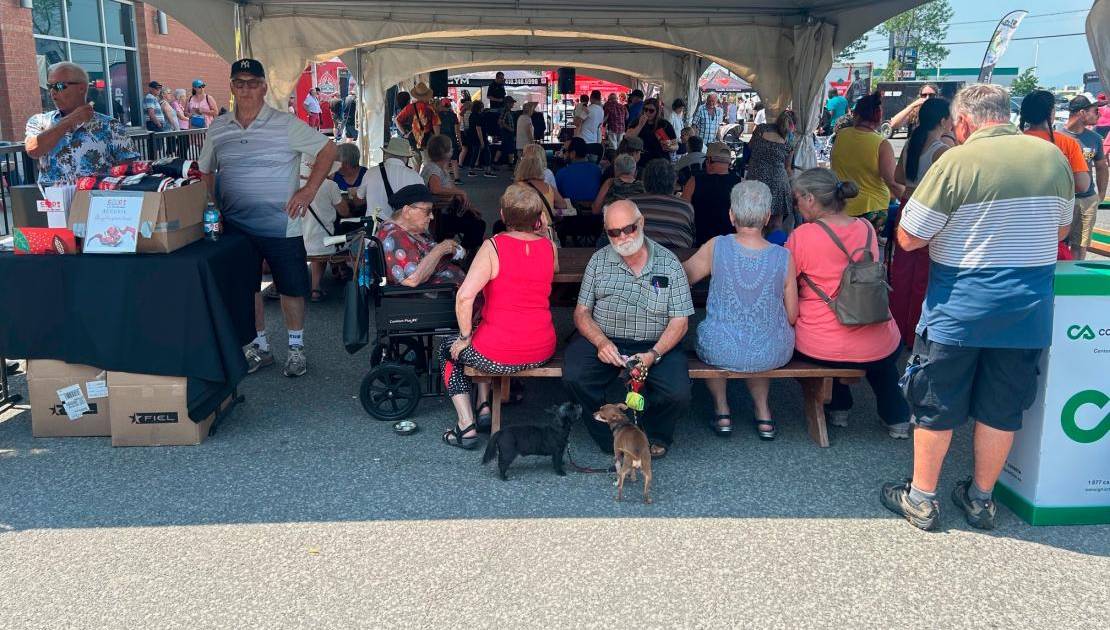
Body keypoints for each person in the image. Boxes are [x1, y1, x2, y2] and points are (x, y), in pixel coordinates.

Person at [882, 84, 1076, 532]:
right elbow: (1062, 228)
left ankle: (922, 498)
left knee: (937, 402)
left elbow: (910, 238)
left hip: (959, 306)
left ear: (964, 122)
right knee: (1002, 407)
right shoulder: (1052, 158)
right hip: (1027, 308)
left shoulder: (956, 161)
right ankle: (981, 499)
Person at [198, 58, 337, 378]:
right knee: (248, 288)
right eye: (239, 82)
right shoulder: (218, 128)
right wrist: (211, 202)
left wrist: (308, 192)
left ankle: (296, 349)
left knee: (291, 287)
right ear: (231, 86)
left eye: (252, 82)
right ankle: (259, 348)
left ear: (263, 87)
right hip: (235, 226)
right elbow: (205, 169)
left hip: (281, 224)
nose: (245, 88)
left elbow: (328, 150)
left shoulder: (284, 124)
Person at [563, 200, 694, 460]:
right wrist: (600, 342)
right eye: (614, 232)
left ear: (641, 223)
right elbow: (581, 312)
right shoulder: (598, 261)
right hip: (607, 338)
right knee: (574, 376)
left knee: (678, 393)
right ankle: (609, 437)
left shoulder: (669, 263)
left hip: (655, 343)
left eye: (629, 229)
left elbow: (680, 321)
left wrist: (653, 354)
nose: (623, 236)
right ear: (606, 231)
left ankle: (655, 435)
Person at [786, 168, 910, 440]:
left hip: (821, 343)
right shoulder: (866, 228)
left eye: (797, 199)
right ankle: (897, 416)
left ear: (809, 199)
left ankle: (839, 405)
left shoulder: (801, 237)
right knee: (881, 357)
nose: (796, 205)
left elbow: (787, 286)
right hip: (877, 333)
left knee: (825, 342)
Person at [439, 184, 559, 448]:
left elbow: (464, 297)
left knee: (449, 349)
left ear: (502, 216)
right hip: (542, 348)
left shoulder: (493, 247)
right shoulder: (550, 248)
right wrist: (544, 229)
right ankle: (484, 406)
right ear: (539, 218)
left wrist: (464, 337)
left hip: (498, 354)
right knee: (483, 330)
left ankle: (466, 425)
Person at [683, 180, 796, 438]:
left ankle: (722, 412)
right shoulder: (783, 256)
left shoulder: (717, 246)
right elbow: (792, 315)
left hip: (721, 347)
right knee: (759, 336)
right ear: (768, 217)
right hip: (771, 350)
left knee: (712, 334)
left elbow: (684, 277)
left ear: (731, 215)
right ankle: (763, 412)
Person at [890, 97, 953, 348]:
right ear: (942, 120)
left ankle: (894, 330)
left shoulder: (910, 144)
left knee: (902, 273)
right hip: (930, 214)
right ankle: (913, 333)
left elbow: (898, 177)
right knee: (923, 278)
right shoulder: (942, 152)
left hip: (907, 208)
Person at [25, 62, 139, 186]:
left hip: (94, 200)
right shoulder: (40, 121)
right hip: (53, 201)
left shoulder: (110, 126)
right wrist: (69, 121)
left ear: (82, 88)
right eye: (50, 86)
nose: (52, 92)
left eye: (59, 86)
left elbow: (129, 167)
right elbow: (33, 150)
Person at [831, 91, 905, 232]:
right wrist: (909, 201)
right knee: (866, 249)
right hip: (872, 210)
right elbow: (892, 182)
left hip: (841, 205)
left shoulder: (841, 136)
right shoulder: (881, 144)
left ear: (856, 114)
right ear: (878, 118)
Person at [376, 184, 465, 287]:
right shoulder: (393, 236)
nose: (431, 216)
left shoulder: (414, 233)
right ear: (407, 211)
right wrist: (441, 249)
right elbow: (411, 279)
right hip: (432, 298)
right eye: (427, 211)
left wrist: (450, 249)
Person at [1058, 95, 1107, 260]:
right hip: (1063, 199)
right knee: (1059, 245)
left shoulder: (1095, 139)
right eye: (1095, 111)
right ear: (1082, 112)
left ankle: (1074, 282)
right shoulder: (1057, 137)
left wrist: (1099, 195)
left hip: (1086, 200)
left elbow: (1101, 167)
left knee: (1080, 247)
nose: (1098, 115)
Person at [300, 159, 351, 302]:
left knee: (315, 238)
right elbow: (345, 211)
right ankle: (315, 288)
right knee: (325, 240)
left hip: (296, 245)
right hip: (323, 244)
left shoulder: (292, 186)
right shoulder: (330, 185)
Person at [746, 110, 797, 232]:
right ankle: (774, 249)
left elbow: (749, 147)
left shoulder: (761, 129)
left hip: (756, 181)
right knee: (776, 225)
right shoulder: (790, 139)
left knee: (755, 223)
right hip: (778, 184)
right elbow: (787, 167)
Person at [682, 142, 741, 245]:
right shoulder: (740, 183)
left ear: (708, 161)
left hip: (701, 243)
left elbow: (683, 210)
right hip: (730, 244)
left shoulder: (694, 181)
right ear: (729, 163)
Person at [629, 158, 696, 248]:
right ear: (673, 182)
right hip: (677, 258)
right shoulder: (685, 207)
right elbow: (692, 239)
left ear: (645, 180)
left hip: (637, 258)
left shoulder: (629, 204)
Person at [355, 137, 425, 220]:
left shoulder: (371, 172)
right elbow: (422, 205)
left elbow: (358, 201)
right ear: (406, 158)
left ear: (386, 155)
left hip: (374, 228)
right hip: (401, 228)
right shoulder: (414, 176)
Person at [395, 82, 441, 168]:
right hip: (427, 141)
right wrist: (437, 139)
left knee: (414, 166)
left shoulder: (410, 107)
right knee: (429, 166)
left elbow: (397, 120)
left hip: (413, 140)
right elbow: (436, 125)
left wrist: (404, 133)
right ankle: (425, 181)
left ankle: (415, 181)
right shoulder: (430, 108)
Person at [514, 149, 567, 221]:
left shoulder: (514, 189)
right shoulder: (549, 188)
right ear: (540, 168)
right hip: (544, 229)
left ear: (521, 167)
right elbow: (563, 205)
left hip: (522, 228)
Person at [628, 97, 677, 166]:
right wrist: (640, 125)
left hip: (660, 161)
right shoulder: (637, 122)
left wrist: (670, 147)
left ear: (657, 111)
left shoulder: (664, 124)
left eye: (651, 111)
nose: (647, 112)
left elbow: (675, 145)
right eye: (645, 110)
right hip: (641, 161)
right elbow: (628, 138)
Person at [555, 137, 603, 205]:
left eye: (564, 151)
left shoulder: (561, 173)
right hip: (594, 213)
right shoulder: (597, 170)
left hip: (571, 213)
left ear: (573, 154)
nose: (563, 154)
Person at [333, 143, 368, 215]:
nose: (334, 163)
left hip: (364, 217)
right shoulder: (332, 176)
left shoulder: (367, 174)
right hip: (340, 219)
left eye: (337, 161)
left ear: (346, 163)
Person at [462, 101, 493, 178]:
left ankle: (471, 169)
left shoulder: (472, 115)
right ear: (479, 108)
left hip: (473, 137)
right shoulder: (479, 116)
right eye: (482, 106)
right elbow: (478, 128)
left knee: (475, 153)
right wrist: (482, 141)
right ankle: (488, 170)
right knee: (487, 152)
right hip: (479, 137)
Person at [436, 98, 462, 184]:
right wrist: (460, 142)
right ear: (449, 105)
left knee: (445, 160)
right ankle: (457, 179)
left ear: (441, 105)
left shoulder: (438, 115)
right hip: (452, 139)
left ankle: (446, 179)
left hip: (442, 139)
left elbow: (437, 129)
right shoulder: (453, 115)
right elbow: (457, 131)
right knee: (454, 160)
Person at [494, 96, 518, 167]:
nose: (513, 104)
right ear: (507, 103)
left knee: (504, 147)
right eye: (512, 102)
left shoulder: (508, 111)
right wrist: (509, 129)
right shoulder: (505, 111)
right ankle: (510, 164)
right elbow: (500, 121)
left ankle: (496, 162)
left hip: (507, 132)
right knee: (509, 147)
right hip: (506, 132)